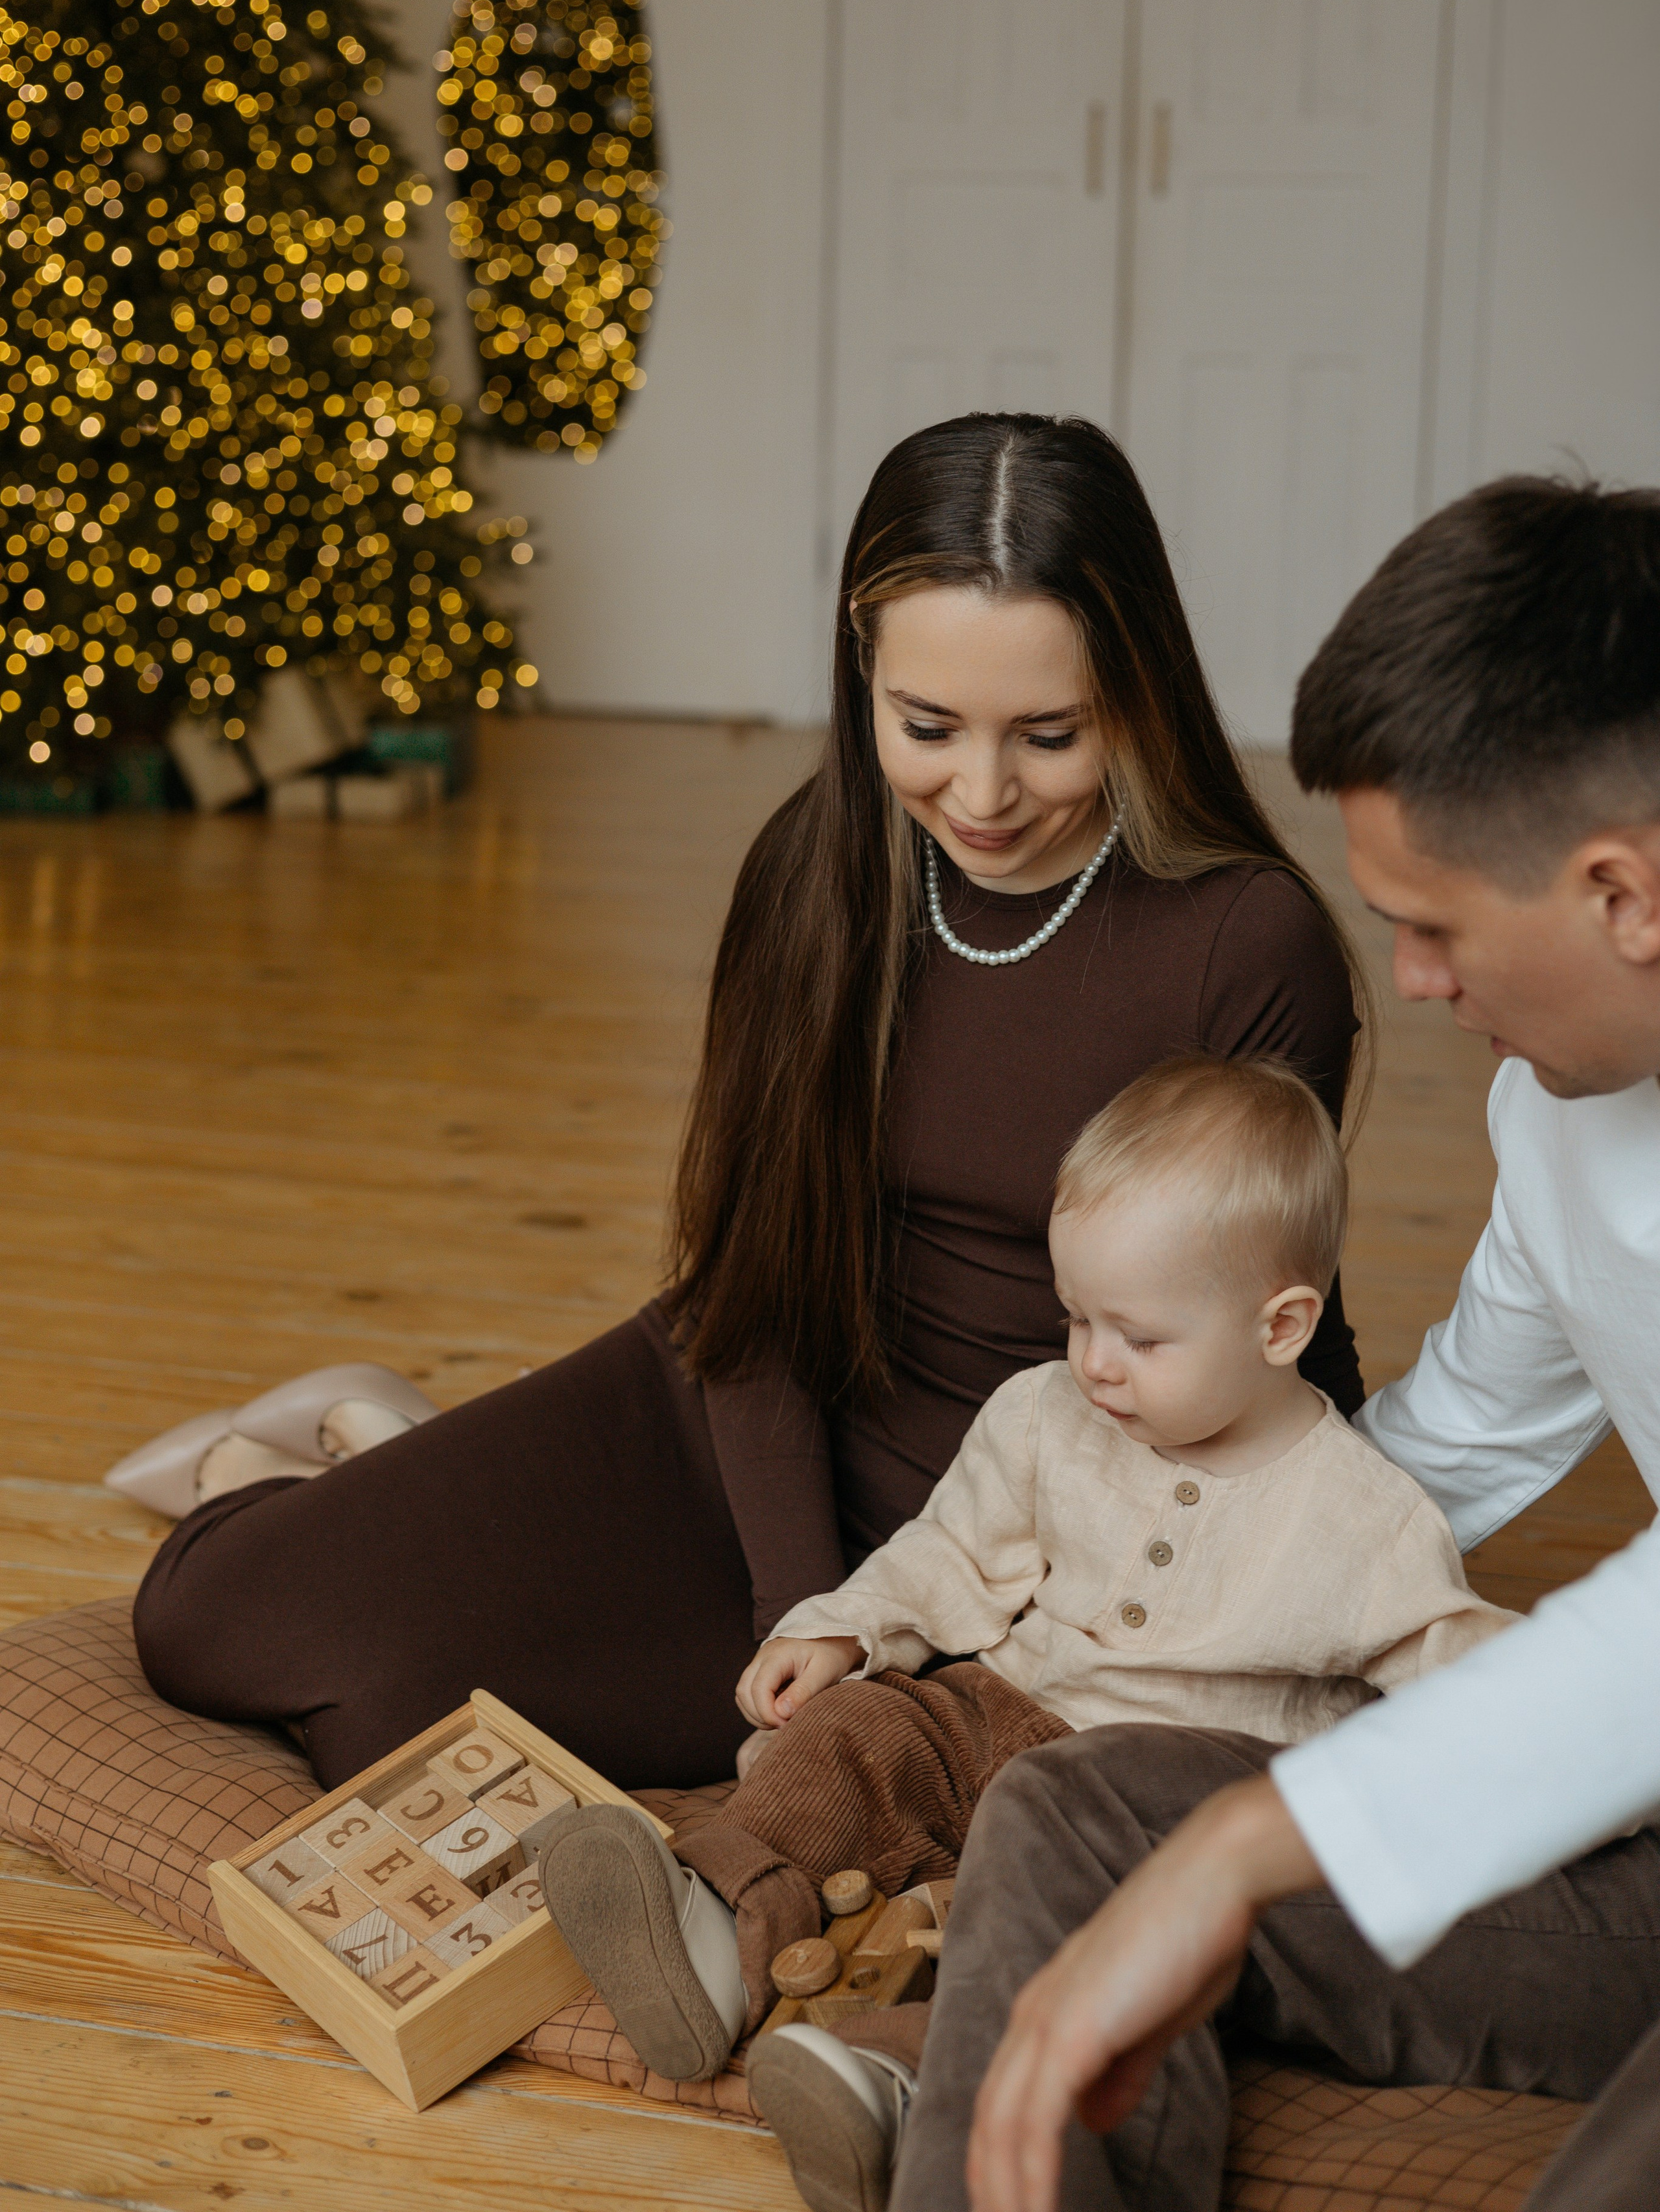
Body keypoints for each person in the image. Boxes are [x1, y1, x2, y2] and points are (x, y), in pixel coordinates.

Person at [126, 413, 1367, 1794]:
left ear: (1134, 691)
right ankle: (335, 1453)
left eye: (1049, 733)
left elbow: (1262, 1342)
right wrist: (804, 1614)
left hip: (1024, 1542)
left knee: (386, 1731)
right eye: (927, 726)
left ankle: (391, 1449)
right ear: (861, 681)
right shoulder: (813, 880)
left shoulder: (1245, 945)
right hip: (752, 1426)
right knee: (211, 1622)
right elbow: (754, 1297)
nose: (984, 791)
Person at [888, 473, 1660, 2212]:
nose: (1409, 979)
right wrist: (1188, 1520)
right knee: (1086, 1816)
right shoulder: (1560, 1106)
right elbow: (1454, 1434)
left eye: (1437, 924)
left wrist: (1262, 1835)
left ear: (1623, 892)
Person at [531, 1057, 1508, 2205]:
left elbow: (1460, 1668)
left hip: (1159, 1802)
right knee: (863, 1736)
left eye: (1139, 1337)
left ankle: (895, 2083)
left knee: (1071, 1949)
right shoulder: (1047, 1416)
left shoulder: (1364, 1520)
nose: (1094, 1360)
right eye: (1077, 1316)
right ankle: (719, 1927)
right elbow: (950, 1552)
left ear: (1282, 1324)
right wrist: (848, 1632)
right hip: (998, 1709)